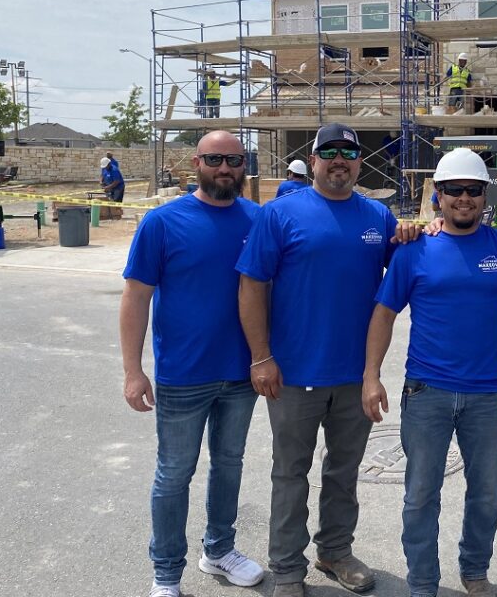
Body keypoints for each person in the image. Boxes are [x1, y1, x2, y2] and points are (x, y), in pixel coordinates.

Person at [237, 123, 397, 597]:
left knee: (344, 474)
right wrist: (260, 357)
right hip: (292, 374)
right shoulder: (280, 214)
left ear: (359, 161)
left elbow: (412, 261)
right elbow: (251, 285)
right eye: (330, 152)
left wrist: (417, 228)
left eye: (349, 152)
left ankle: (335, 551)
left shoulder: (378, 217)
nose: (339, 160)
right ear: (314, 158)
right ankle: (287, 569)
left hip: (354, 375)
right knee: (290, 474)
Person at [362, 148, 497, 597]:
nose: (464, 199)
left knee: (486, 496)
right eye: (455, 191)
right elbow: (383, 313)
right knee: (420, 497)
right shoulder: (415, 249)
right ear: (439, 196)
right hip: (427, 391)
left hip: (485, 395)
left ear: (484, 195)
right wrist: (371, 375)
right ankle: (423, 584)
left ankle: (474, 571)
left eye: (473, 190)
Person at [120, 130, 264, 597]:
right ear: (196, 164)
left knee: (229, 464)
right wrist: (133, 369)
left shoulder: (259, 220)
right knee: (174, 473)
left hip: (241, 373)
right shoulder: (162, 223)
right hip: (184, 375)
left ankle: (218, 550)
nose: (226, 168)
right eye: (216, 159)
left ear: (245, 165)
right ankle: (166, 574)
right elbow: (136, 297)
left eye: (235, 160)